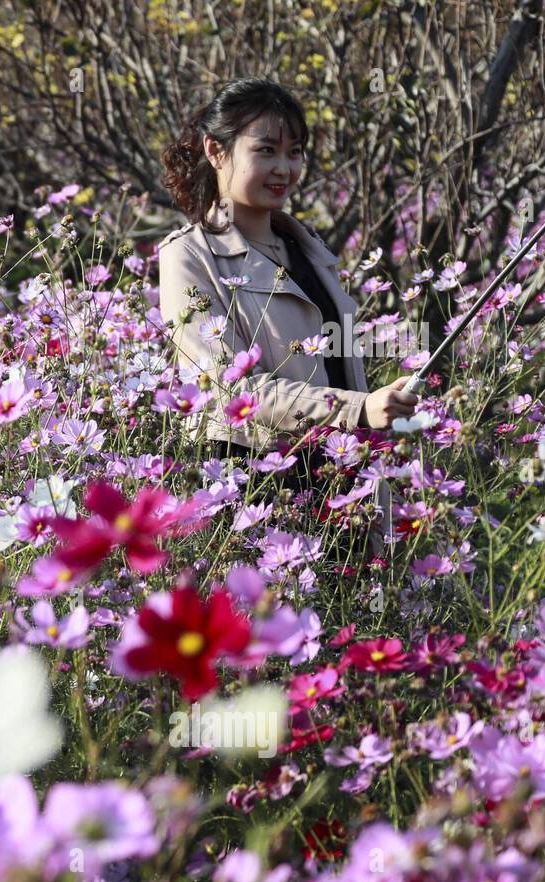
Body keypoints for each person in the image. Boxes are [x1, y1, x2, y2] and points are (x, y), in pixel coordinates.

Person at [157, 77, 414, 547]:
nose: (284, 168)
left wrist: (381, 407)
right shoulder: (190, 256)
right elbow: (223, 387)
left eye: (294, 152)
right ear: (216, 150)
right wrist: (357, 409)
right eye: (267, 150)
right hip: (262, 488)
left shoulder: (307, 247)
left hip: (344, 476)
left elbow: (335, 363)